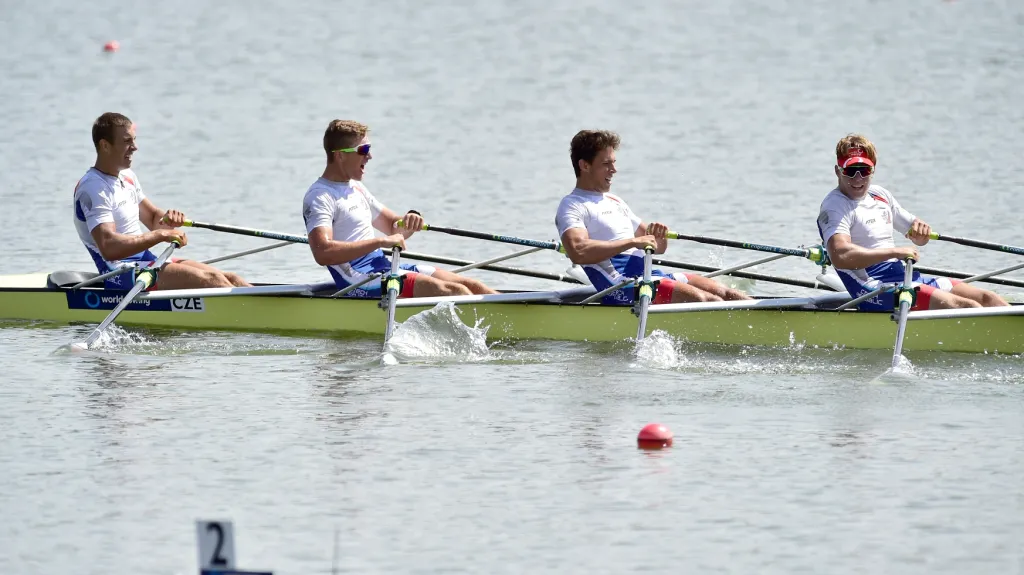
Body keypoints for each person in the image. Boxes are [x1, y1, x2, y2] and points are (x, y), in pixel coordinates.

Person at [302, 120, 497, 298]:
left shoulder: (356, 188)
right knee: (455, 292)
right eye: (364, 149)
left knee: (473, 285)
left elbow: (393, 227)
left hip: (384, 266)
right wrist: (380, 242)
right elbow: (323, 252)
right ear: (340, 155)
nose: (370, 155)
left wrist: (410, 220)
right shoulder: (320, 196)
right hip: (359, 278)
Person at [555, 129, 750, 305]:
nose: (614, 170)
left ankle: (770, 317)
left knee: (727, 293)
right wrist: (632, 242)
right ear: (584, 165)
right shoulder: (572, 205)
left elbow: (658, 248)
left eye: (613, 163)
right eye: (606, 164)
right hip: (620, 286)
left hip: (650, 276)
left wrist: (658, 236)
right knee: (702, 299)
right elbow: (577, 251)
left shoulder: (614, 200)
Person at [817, 133, 1007, 310]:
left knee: (988, 299)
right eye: (851, 170)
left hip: (904, 277)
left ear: (873, 170)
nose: (858, 178)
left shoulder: (880, 195)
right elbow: (840, 255)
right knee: (967, 307)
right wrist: (895, 252)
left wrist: (920, 232)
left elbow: (916, 235)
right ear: (837, 171)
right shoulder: (835, 206)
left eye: (864, 170)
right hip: (873, 288)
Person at [73, 112, 250, 290]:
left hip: (146, 261)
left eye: (134, 140)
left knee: (231, 278)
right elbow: (109, 247)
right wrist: (161, 235)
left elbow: (152, 220)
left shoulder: (127, 177)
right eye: (127, 141)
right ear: (105, 145)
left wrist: (168, 219)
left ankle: (271, 311)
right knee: (211, 280)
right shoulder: (93, 188)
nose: (135, 147)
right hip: (119, 273)